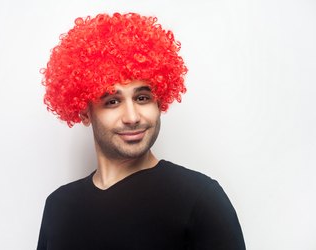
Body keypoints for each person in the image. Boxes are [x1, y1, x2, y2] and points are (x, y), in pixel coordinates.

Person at [37, 12, 245, 250]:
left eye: (142, 98)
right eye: (112, 101)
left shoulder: (199, 199)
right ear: (85, 112)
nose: (132, 117)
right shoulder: (58, 206)